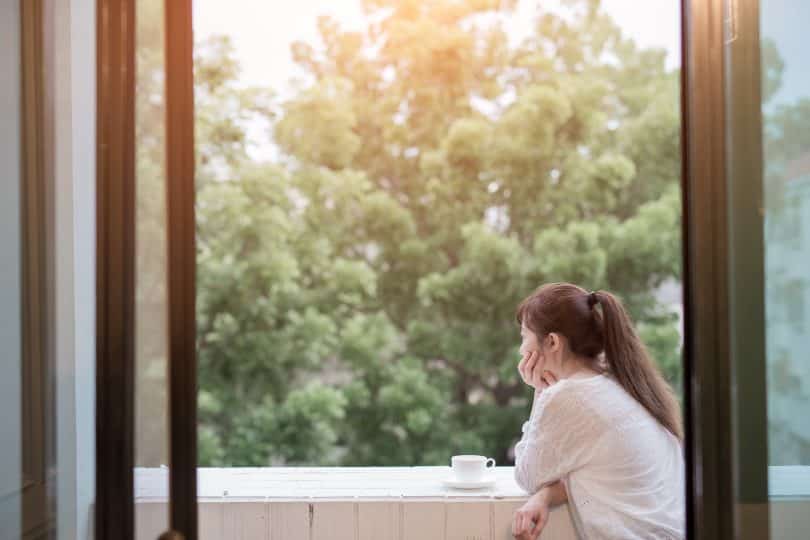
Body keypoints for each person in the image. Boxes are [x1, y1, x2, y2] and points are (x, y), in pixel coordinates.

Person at [510, 283, 684, 540]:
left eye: (524, 336)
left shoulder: (569, 397)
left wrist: (541, 392)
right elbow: (608, 475)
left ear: (553, 342)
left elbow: (527, 475)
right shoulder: (620, 384)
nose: (521, 349)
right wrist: (547, 495)